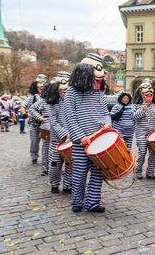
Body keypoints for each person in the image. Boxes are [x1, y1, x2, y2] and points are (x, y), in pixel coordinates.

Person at [63, 53, 110, 213]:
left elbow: (105, 112)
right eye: (95, 79)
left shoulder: (98, 93)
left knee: (98, 173)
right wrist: (80, 136)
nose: (99, 81)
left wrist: (107, 123)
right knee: (79, 173)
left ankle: (92, 203)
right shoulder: (71, 92)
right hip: (81, 142)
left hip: (98, 140)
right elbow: (70, 116)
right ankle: (77, 201)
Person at [46, 71, 72, 194]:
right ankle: (54, 184)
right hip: (57, 139)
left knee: (70, 164)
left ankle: (68, 185)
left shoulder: (73, 103)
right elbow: (53, 122)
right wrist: (64, 134)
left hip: (72, 139)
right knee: (55, 164)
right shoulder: (53, 103)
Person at [131, 79, 155, 180]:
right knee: (142, 152)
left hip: (153, 133)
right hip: (141, 133)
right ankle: (138, 171)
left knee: (153, 153)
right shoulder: (136, 105)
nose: (149, 95)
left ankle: (150, 172)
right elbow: (133, 116)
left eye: (150, 93)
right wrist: (142, 110)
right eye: (146, 94)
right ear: (142, 94)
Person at [21, 74, 47, 164]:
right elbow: (23, 106)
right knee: (34, 141)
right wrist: (24, 114)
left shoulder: (48, 96)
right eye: (39, 84)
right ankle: (34, 157)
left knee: (46, 143)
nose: (41, 86)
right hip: (34, 123)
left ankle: (46, 160)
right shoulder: (32, 97)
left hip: (46, 123)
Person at [29, 82, 51, 176]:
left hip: (58, 126)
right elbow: (31, 109)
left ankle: (55, 168)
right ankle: (46, 167)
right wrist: (39, 116)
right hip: (46, 126)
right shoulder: (43, 100)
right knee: (46, 148)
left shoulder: (60, 100)